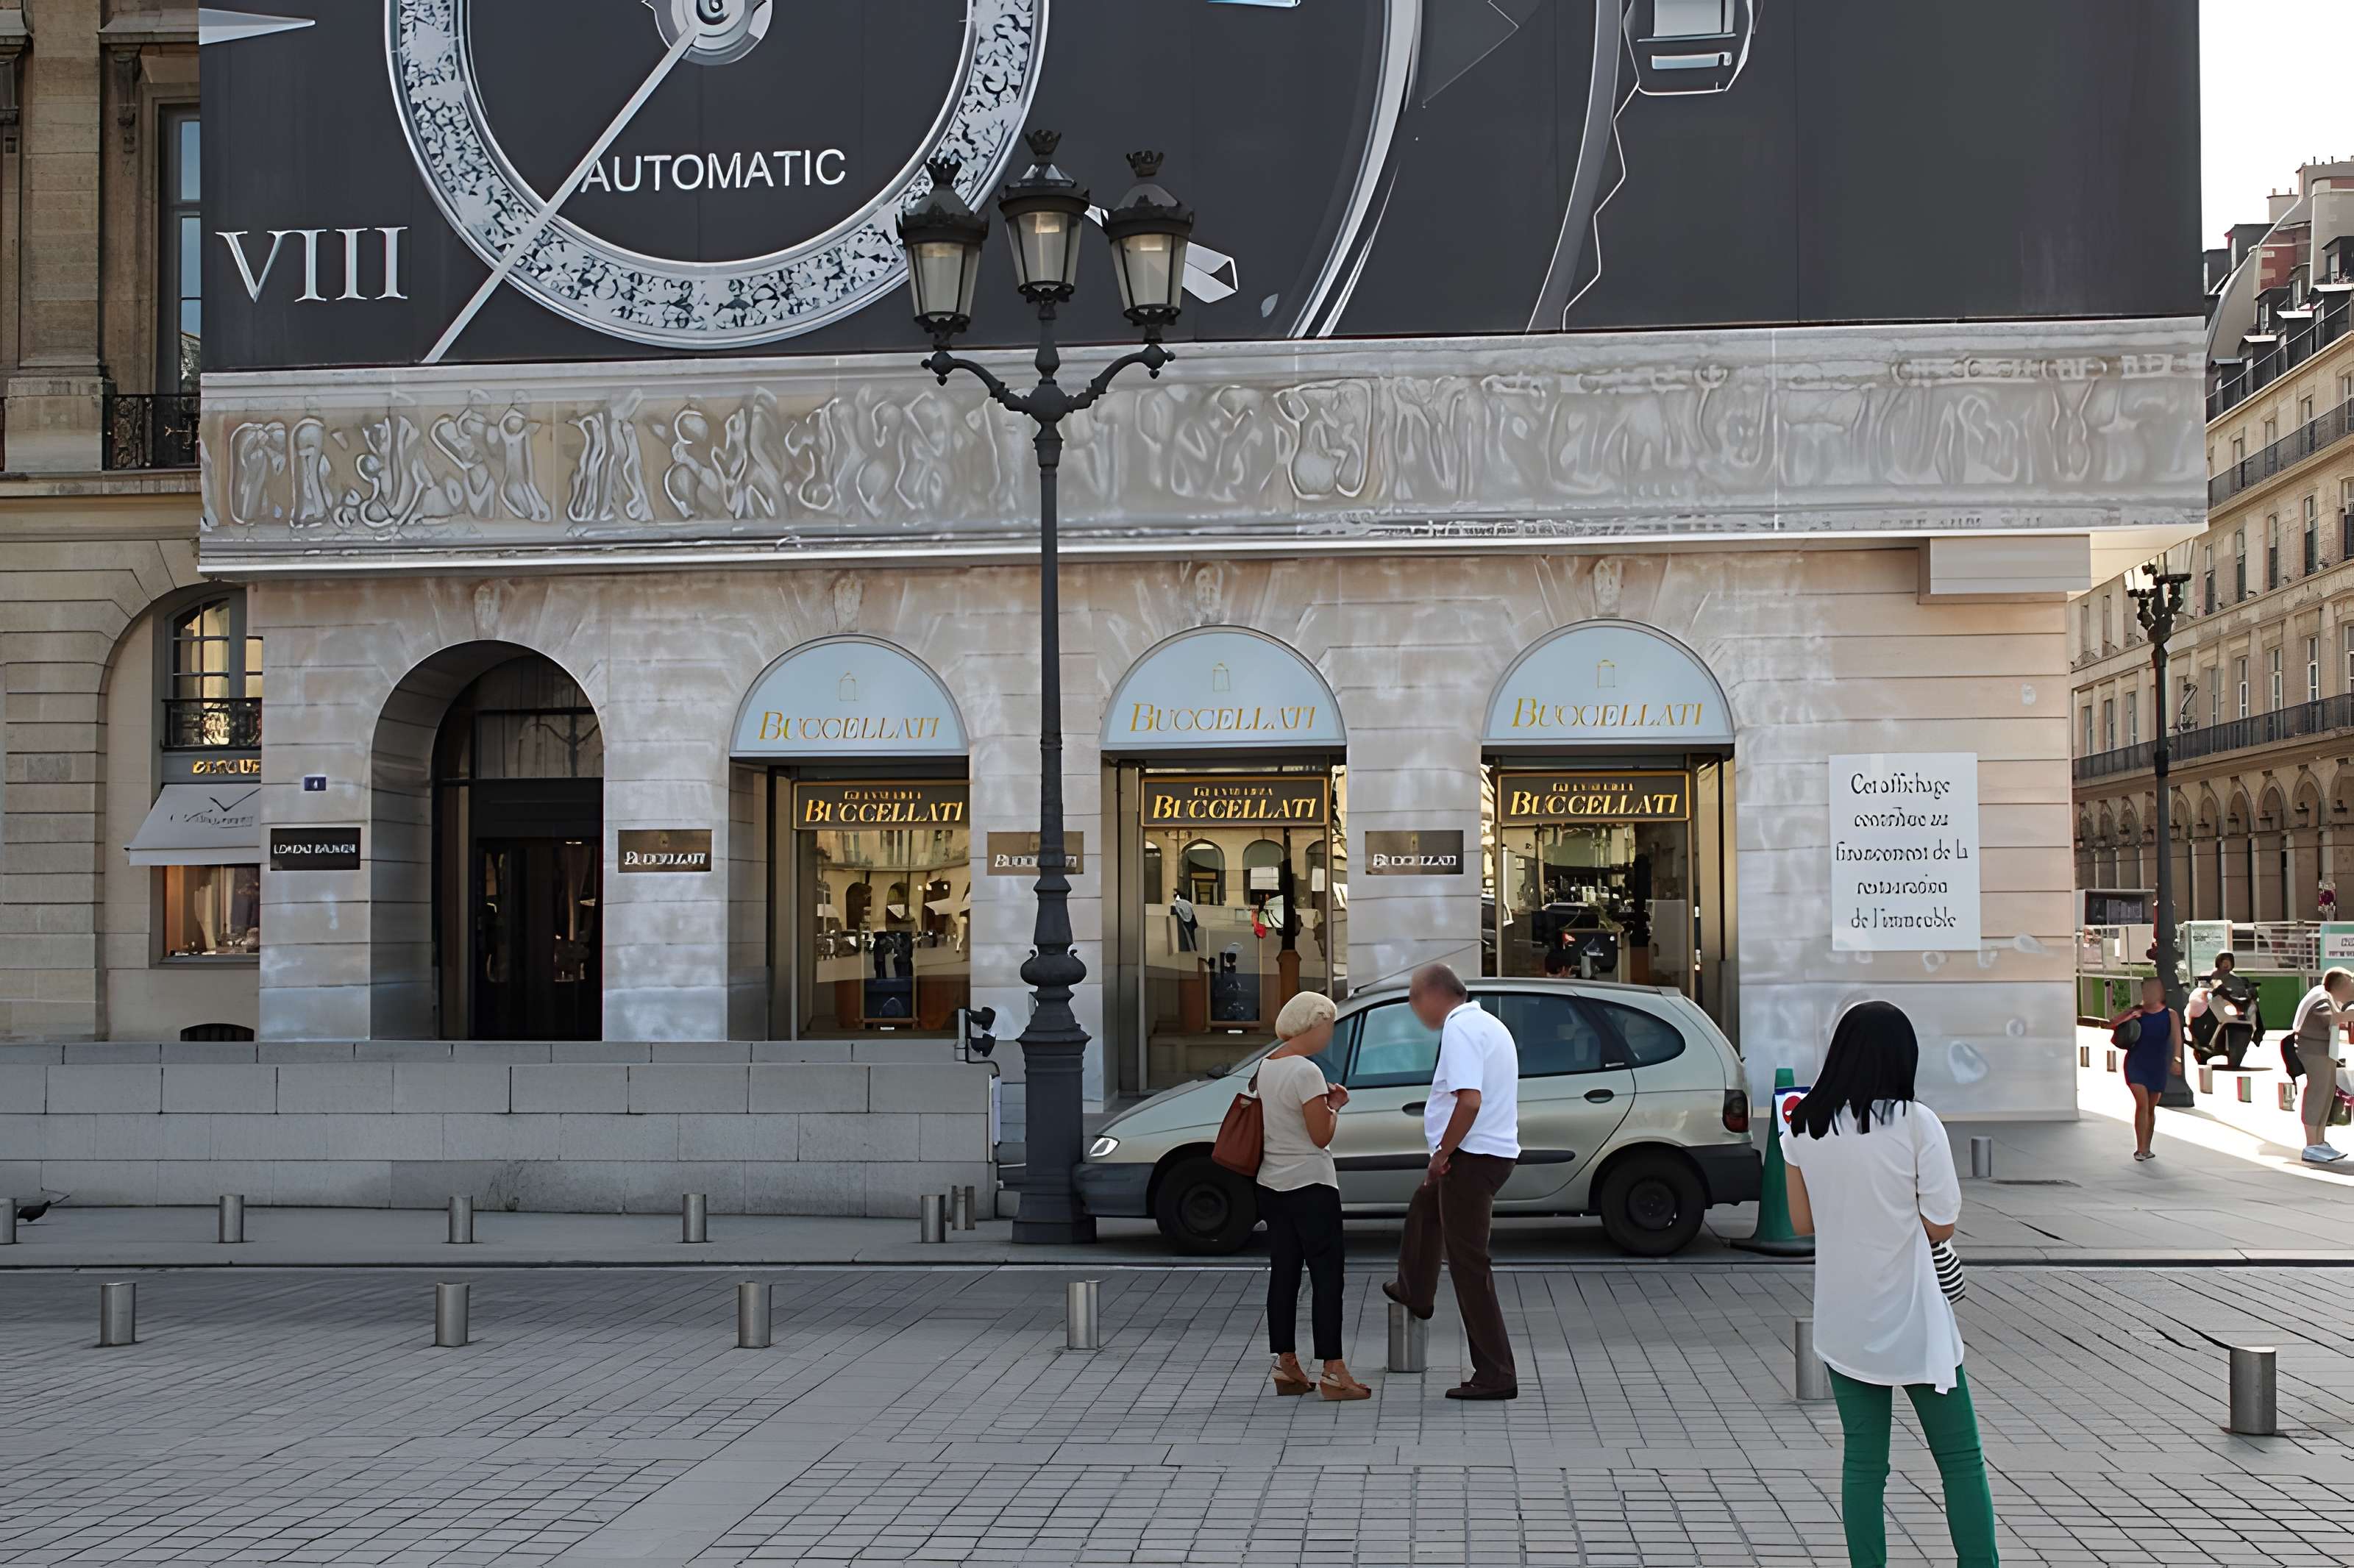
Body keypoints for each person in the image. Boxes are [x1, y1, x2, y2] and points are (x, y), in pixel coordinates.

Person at [1782, 1001, 1997, 1568]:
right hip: (1915, 1318)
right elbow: (1942, 1222)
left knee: (1863, 1464)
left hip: (1844, 1318)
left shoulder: (1803, 1125)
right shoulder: (1916, 1123)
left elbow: (1803, 1223)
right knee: (1959, 1459)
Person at [1381, 963, 1521, 1400]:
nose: (1412, 1007)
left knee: (1469, 1265)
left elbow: (1470, 1101)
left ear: (1434, 995)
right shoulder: (1490, 1024)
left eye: (1412, 997)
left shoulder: (1459, 1029)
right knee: (1425, 1206)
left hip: (1471, 1157)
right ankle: (1414, 1289)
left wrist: (1443, 1153)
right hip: (1491, 1153)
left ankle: (1496, 1374)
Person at [1254, 991, 1368, 1401]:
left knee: (1283, 1274)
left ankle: (1287, 1365)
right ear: (1314, 1025)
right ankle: (1333, 1370)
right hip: (1311, 1185)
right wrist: (1335, 1106)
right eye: (1329, 1025)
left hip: (1271, 1183)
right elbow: (1320, 1136)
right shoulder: (1307, 1072)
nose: (1330, 1034)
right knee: (1326, 1278)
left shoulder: (1266, 1067)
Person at [2105, 976, 2180, 1161]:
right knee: (2142, 1104)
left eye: (2154, 989)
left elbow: (2176, 1038)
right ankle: (2140, 1149)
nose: (2150, 993)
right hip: (2136, 1063)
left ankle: (2147, 1147)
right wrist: (2130, 1016)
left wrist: (2176, 1060)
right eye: (2147, 990)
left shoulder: (2170, 1015)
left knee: (2151, 1108)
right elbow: (2111, 1023)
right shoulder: (2137, 1011)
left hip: (2158, 1065)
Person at [2289, 968, 2354, 1164]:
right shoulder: (2321, 999)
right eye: (2350, 988)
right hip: (2314, 1052)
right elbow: (2329, 1019)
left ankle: (2320, 1141)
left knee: (2326, 1095)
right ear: (2339, 987)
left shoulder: (2327, 996)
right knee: (2317, 1094)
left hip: (2325, 1051)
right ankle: (2311, 1145)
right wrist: (2348, 1015)